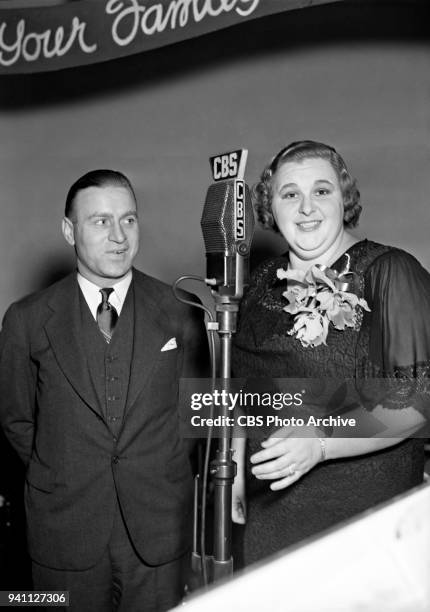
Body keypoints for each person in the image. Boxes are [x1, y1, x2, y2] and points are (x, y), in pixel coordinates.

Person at [0, 169, 207, 611]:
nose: (118, 236)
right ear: (68, 230)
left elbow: (193, 415)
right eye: (100, 221)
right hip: (63, 535)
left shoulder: (179, 311)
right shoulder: (27, 319)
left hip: (159, 533)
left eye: (128, 220)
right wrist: (62, 471)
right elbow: (17, 419)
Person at [231, 140, 429, 565]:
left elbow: (416, 402)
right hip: (270, 519)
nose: (306, 207)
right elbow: (244, 391)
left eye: (321, 191)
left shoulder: (390, 272)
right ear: (270, 206)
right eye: (289, 194)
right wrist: (232, 469)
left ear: (345, 198)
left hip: (363, 520)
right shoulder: (262, 281)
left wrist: (321, 441)